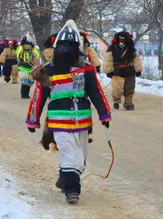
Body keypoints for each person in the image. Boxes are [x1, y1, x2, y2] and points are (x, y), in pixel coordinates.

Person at [26, 20, 111, 204]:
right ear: (57, 48)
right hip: (59, 123)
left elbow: (96, 93)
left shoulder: (86, 69)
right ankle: (72, 190)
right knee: (70, 155)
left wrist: (105, 115)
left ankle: (64, 179)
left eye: (70, 46)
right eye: (63, 46)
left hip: (82, 122)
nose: (66, 50)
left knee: (80, 159)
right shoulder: (47, 71)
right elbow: (38, 98)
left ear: (77, 48)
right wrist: (33, 120)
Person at [103, 31, 142, 110]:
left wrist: (138, 70)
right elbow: (108, 60)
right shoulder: (112, 48)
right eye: (120, 39)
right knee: (117, 89)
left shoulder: (131, 49)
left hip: (129, 71)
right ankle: (116, 101)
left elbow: (136, 59)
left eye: (123, 39)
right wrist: (109, 71)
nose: (122, 41)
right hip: (117, 71)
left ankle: (128, 103)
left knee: (129, 88)